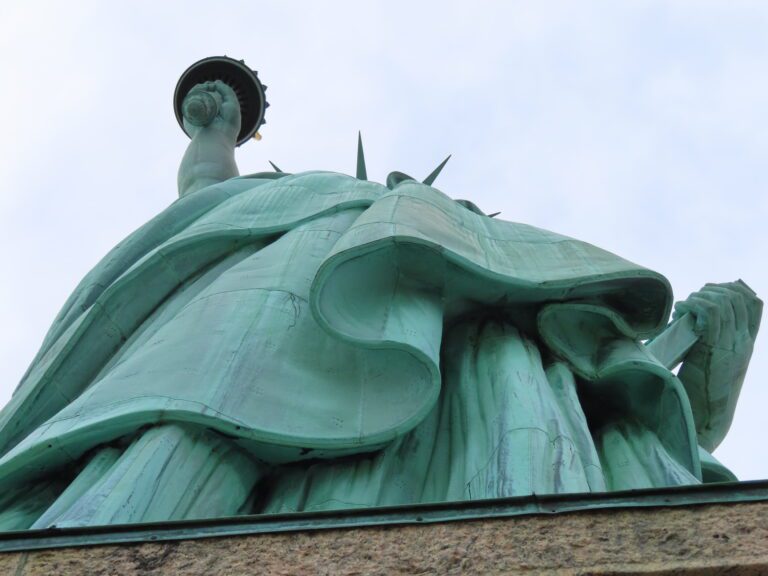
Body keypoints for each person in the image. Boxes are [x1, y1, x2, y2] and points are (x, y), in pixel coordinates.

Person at [0, 81, 760, 528]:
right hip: (264, 342)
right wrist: (217, 130)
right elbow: (207, 198)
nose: (405, 196)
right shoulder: (305, 211)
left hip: (479, 423)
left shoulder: (512, 299)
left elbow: (638, 409)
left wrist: (714, 364)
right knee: (195, 440)